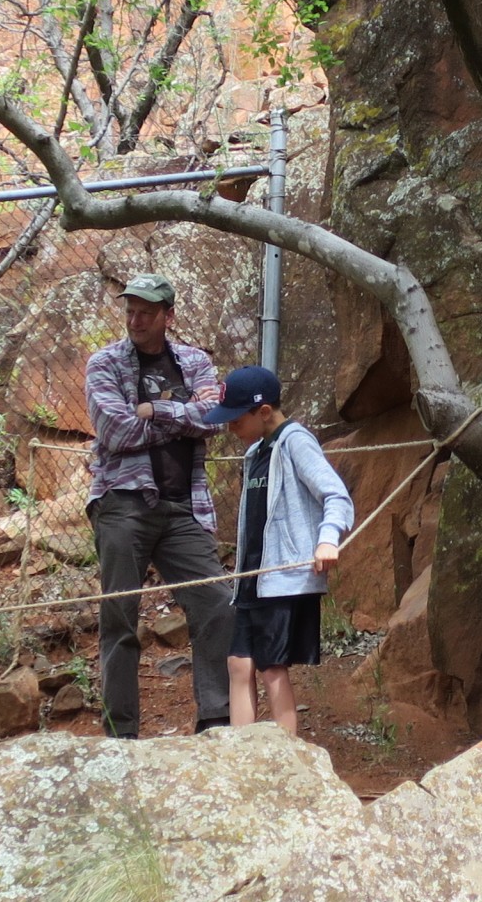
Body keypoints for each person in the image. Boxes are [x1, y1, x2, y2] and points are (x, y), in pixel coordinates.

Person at [84, 273, 235, 738]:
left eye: (146, 313)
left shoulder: (194, 360)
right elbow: (116, 431)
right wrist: (184, 412)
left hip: (183, 506)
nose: (135, 320)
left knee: (216, 602)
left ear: (168, 316)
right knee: (120, 617)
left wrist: (155, 410)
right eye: (130, 311)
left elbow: (215, 420)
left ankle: (216, 720)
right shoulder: (105, 363)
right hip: (123, 503)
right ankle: (122, 735)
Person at [208, 366, 352, 736]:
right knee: (239, 664)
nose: (230, 429)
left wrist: (327, 539)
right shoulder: (255, 452)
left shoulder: (295, 441)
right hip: (253, 576)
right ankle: (241, 752)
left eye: (236, 420)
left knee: (272, 667)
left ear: (263, 411)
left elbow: (335, 495)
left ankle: (286, 754)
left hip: (283, 577)